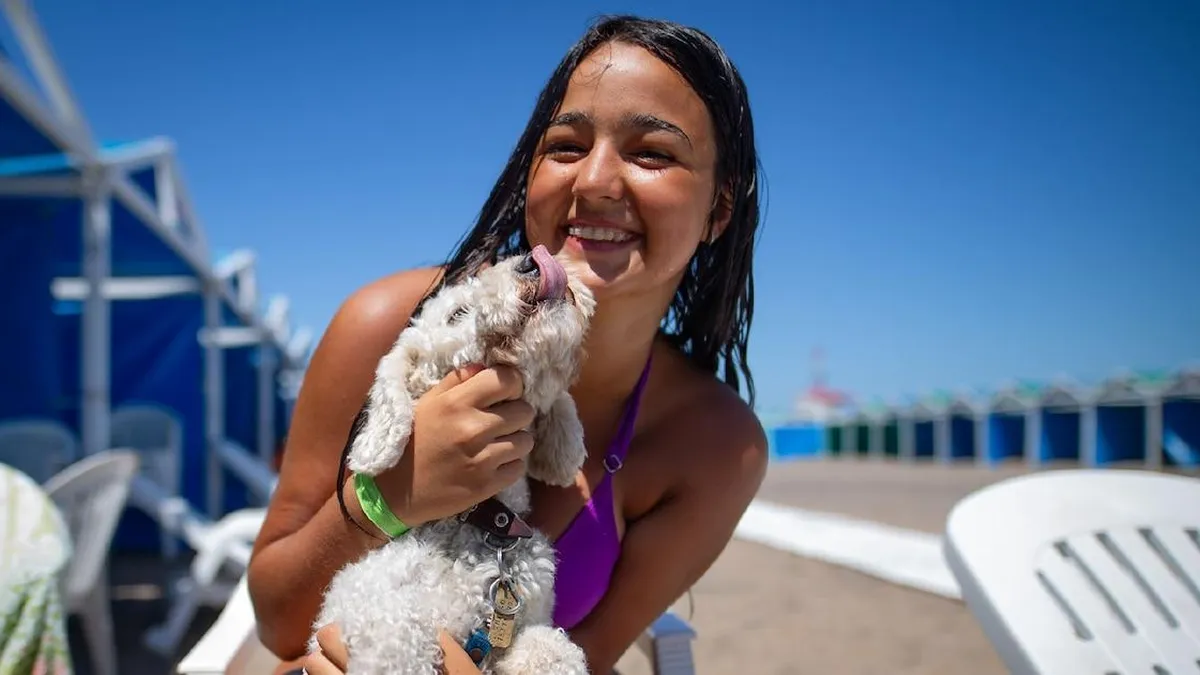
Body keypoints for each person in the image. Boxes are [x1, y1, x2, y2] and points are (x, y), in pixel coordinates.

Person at [247, 14, 769, 675]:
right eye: (566, 146)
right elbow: (276, 620)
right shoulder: (389, 327)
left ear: (719, 210)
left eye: (652, 153)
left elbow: (590, 657)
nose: (595, 182)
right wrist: (389, 494)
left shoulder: (719, 445)